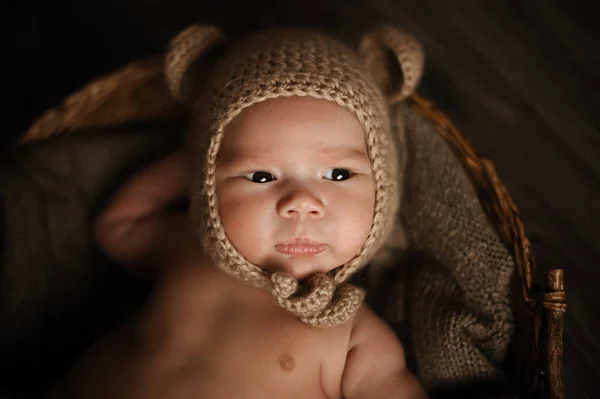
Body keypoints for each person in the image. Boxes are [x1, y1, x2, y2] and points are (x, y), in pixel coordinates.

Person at [56, 24, 427, 398]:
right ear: (210, 186)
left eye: (338, 173)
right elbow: (118, 226)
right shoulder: (190, 248)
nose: (301, 202)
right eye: (262, 175)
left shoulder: (355, 336)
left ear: (382, 189)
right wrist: (195, 164)